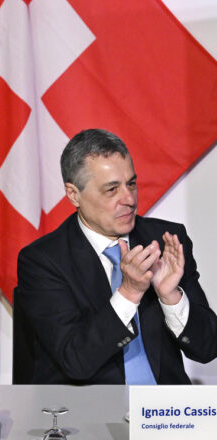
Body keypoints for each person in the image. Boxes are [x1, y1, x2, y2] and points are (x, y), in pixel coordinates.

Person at [16, 129, 217, 384]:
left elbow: (207, 348)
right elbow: (75, 360)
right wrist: (129, 293)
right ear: (74, 194)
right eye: (112, 189)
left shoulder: (165, 241)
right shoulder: (43, 261)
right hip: (88, 406)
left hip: (163, 405)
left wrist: (171, 297)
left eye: (131, 183)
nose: (129, 199)